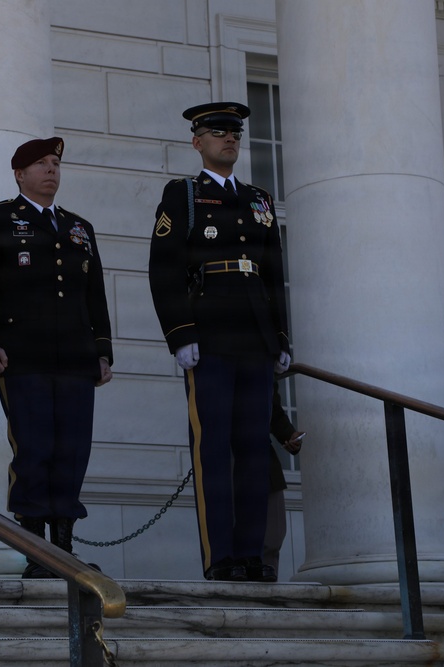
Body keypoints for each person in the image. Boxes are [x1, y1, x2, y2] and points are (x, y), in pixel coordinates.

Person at [149, 102, 291, 581]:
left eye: (235, 132)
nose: (229, 139)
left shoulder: (259, 199)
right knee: (214, 450)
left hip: (254, 332)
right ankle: (221, 557)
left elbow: (273, 273)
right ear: (198, 142)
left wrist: (281, 337)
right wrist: (180, 333)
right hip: (209, 331)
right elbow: (165, 269)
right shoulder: (184, 195)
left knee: (252, 447)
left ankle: (251, 554)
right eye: (218, 132)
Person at [0, 137, 113, 578]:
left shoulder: (78, 226)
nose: (51, 170)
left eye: (55, 163)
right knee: (34, 448)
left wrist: (101, 351)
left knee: (71, 450)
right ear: (19, 174)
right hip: (22, 357)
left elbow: (95, 296)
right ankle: (35, 551)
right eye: (41, 164)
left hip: (75, 359)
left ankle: (63, 549)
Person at [262, 381, 305, 583]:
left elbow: (274, 410)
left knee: (273, 535)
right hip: (230, 455)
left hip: (263, 458)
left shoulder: (265, 366)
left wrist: (289, 435)